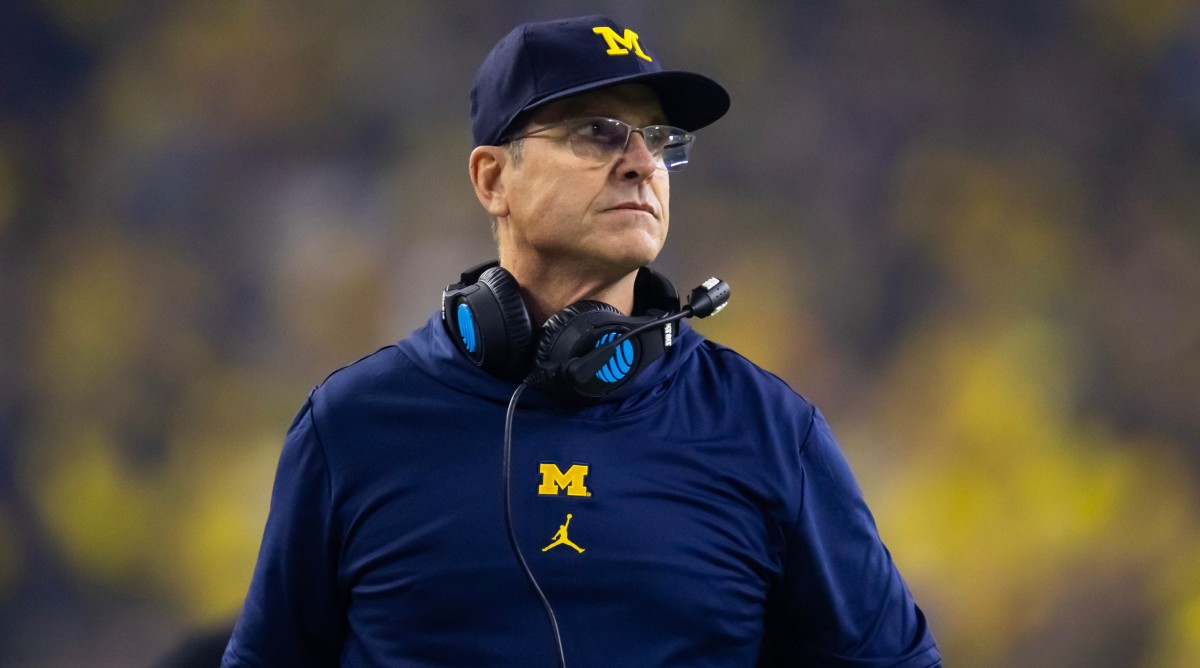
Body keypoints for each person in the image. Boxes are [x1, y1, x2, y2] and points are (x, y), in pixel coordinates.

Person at [222, 15, 941, 668]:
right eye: (596, 131)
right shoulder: (350, 428)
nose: (641, 162)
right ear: (493, 177)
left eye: (659, 140)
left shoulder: (770, 433)